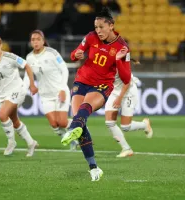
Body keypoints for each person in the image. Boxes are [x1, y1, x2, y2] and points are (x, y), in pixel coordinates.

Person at [61, 7, 132, 181]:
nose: (98, 31)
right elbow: (74, 54)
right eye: (96, 27)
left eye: (101, 27)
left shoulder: (122, 47)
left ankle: (72, 128)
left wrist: (119, 60)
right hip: (81, 81)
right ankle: (94, 168)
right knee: (81, 122)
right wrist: (75, 55)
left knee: (84, 111)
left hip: (102, 85)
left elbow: (126, 77)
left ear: (111, 26)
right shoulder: (91, 37)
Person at [0, 35, 38, 157]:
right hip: (1, 95)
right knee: (14, 121)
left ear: (0, 45)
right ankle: (31, 143)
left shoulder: (10, 57)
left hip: (17, 90)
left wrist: (32, 84)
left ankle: (11, 142)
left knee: (2, 114)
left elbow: (27, 66)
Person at [24, 30, 78, 150]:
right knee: (54, 124)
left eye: (38, 39)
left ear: (43, 41)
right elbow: (28, 75)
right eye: (33, 40)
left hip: (59, 91)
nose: (35, 42)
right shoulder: (29, 58)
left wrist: (63, 88)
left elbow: (64, 69)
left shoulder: (52, 53)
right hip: (45, 95)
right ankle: (70, 139)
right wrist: (27, 88)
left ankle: (81, 128)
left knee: (62, 122)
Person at [105, 61, 153, 158]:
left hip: (128, 92)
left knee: (126, 127)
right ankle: (126, 149)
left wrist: (119, 98)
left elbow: (127, 83)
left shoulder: (119, 65)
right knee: (109, 123)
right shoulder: (101, 62)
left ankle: (144, 125)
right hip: (114, 92)